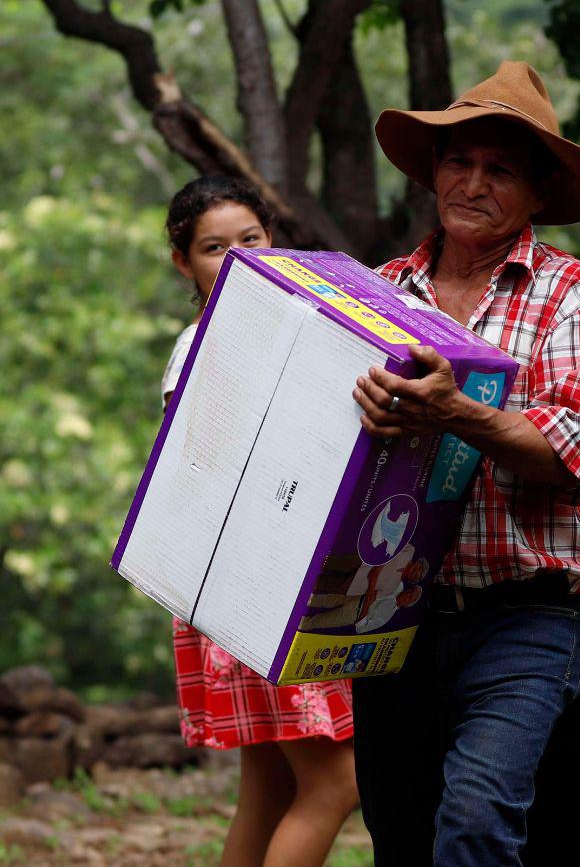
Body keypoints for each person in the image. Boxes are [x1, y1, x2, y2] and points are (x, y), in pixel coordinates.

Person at [349, 62, 580, 865]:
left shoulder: (576, 295)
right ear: (433, 172)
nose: (472, 183)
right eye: (458, 162)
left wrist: (452, 413)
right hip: (392, 615)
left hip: (524, 615)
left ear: (537, 194)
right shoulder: (380, 292)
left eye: (499, 169)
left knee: (474, 822)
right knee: (400, 835)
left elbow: (567, 455)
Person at [162, 176, 359, 867]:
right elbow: (208, 467)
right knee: (337, 783)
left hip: (258, 583)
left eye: (252, 239)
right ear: (183, 262)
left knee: (270, 788)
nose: (241, 257)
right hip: (253, 586)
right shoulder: (205, 344)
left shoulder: (288, 329)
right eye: (216, 248)